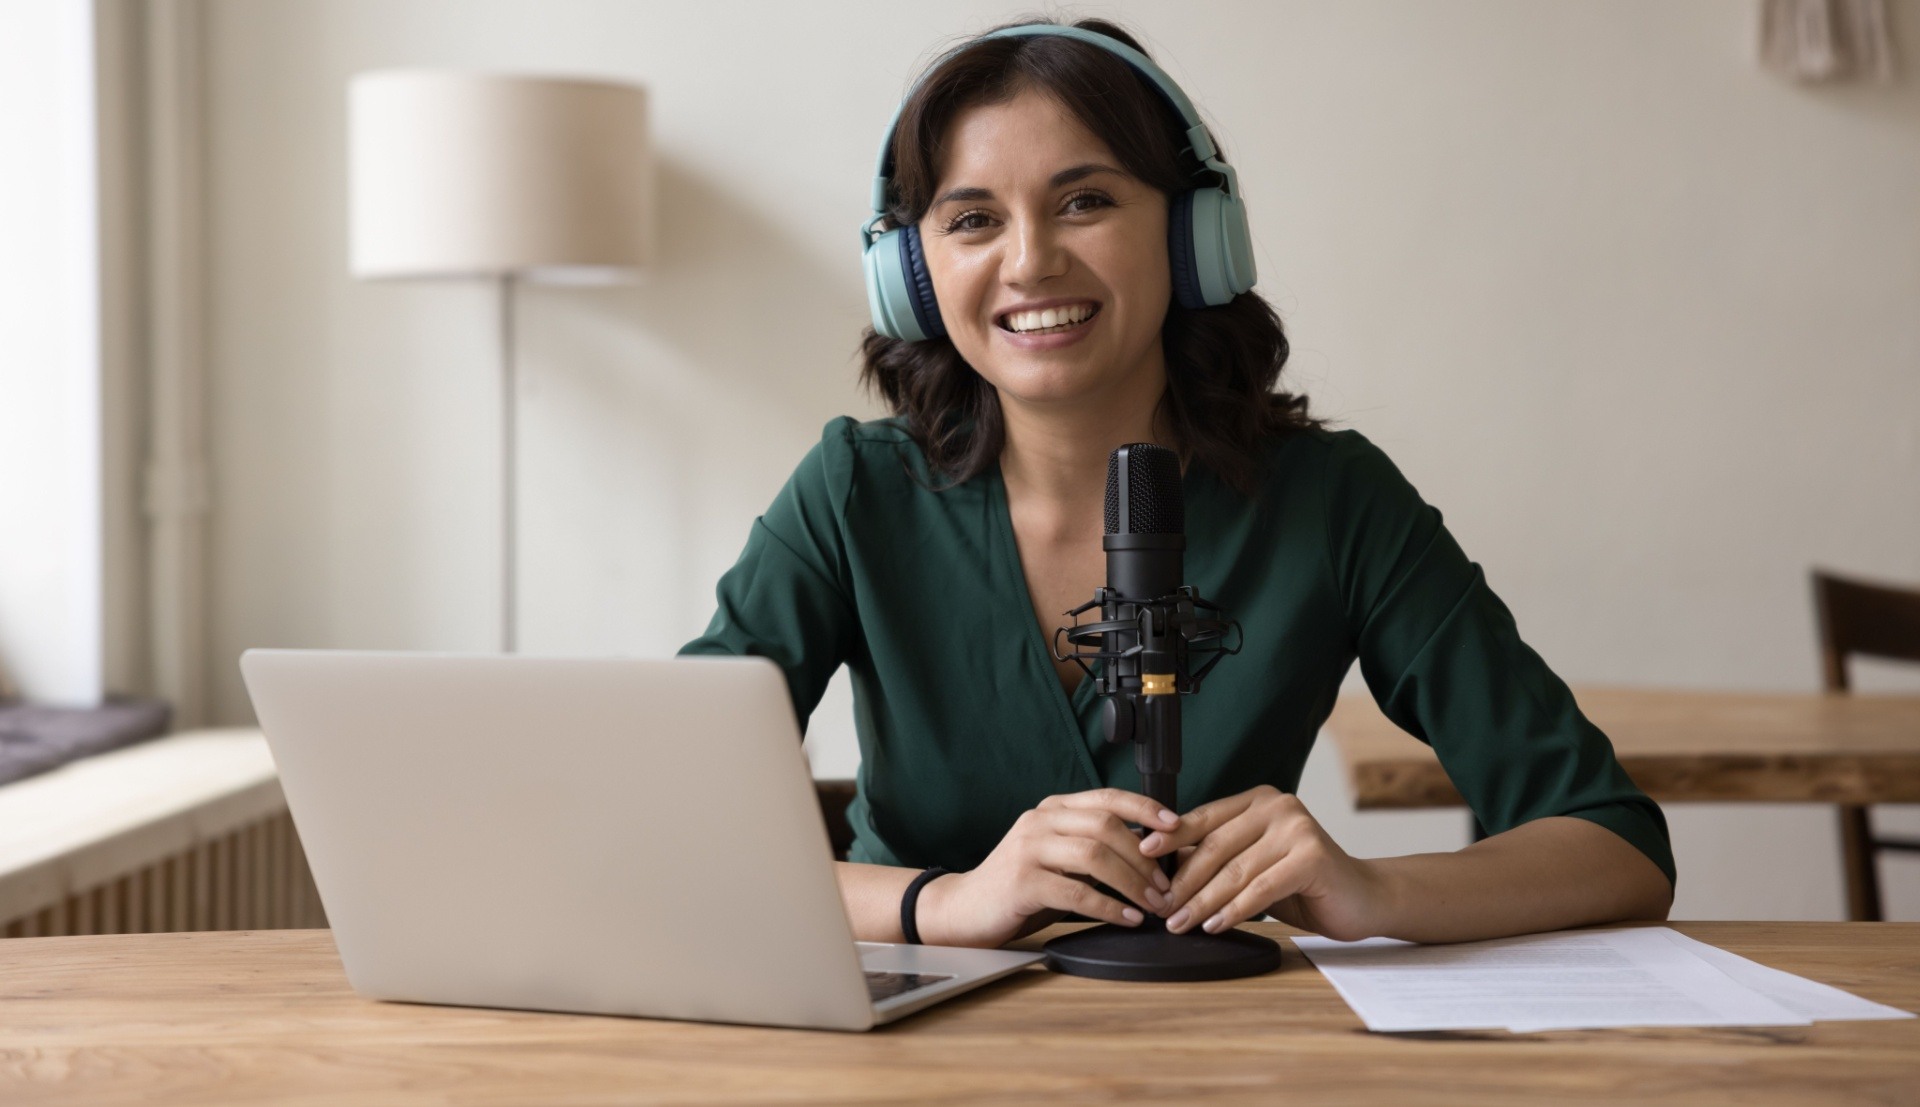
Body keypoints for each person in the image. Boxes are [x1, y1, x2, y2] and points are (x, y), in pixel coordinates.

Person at [680, 18, 1675, 950]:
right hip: (900, 1051)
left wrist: (1370, 893)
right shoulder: (853, 494)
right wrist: (942, 900)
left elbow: (1615, 846)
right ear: (913, 271)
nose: (1031, 260)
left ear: (1194, 234)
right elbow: (660, 822)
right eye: (974, 219)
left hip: (1212, 1045)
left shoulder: (1333, 500)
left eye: (1086, 201)